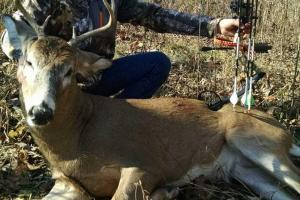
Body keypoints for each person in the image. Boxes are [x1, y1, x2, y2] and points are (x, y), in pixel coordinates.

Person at [1, 0, 245, 99]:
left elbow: (153, 15)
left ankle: (112, 118)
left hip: (99, 75)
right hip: (59, 88)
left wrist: (213, 26)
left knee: (158, 63)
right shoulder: (41, 2)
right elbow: (11, 33)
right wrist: (28, 60)